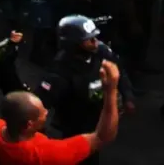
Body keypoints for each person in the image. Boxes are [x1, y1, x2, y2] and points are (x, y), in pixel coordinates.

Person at [0, 61, 121, 165]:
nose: (47, 112)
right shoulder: (49, 155)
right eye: (42, 113)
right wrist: (111, 90)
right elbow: (102, 137)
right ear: (29, 125)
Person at [36, 15, 133, 157]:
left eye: (95, 37)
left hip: (98, 117)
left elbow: (119, 69)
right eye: (89, 39)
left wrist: (128, 95)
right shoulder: (59, 72)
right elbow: (38, 106)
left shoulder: (101, 51)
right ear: (73, 44)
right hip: (76, 127)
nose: (95, 42)